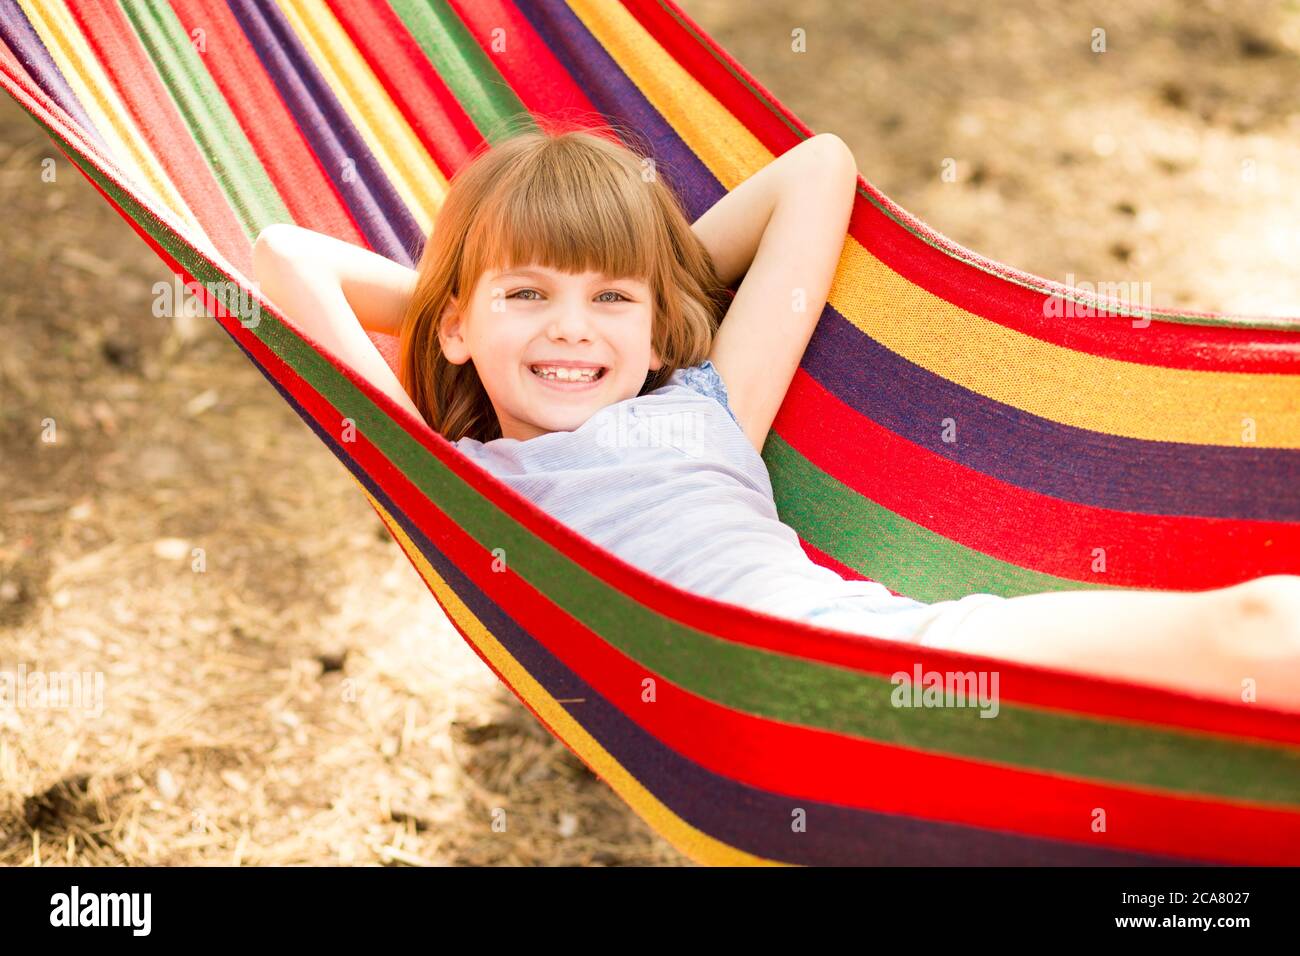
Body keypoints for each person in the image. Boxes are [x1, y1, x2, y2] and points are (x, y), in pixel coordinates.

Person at [252, 122, 1300, 709]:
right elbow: (285, 258)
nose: (570, 331)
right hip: (790, 708)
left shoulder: (707, 405)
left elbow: (818, 168)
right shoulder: (457, 485)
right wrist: (462, 303)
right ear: (451, 330)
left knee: (1253, 633)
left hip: (894, 659)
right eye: (529, 295)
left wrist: (652, 295)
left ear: (665, 327)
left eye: (606, 300)